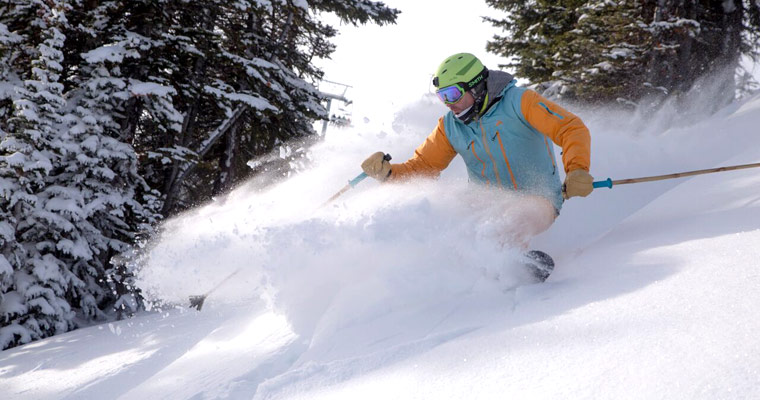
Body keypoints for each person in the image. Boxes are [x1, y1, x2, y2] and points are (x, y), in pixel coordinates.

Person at [360, 53, 594, 281]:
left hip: (538, 200)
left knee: (510, 222)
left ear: (476, 87)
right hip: (484, 203)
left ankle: (512, 272)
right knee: (444, 221)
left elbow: (570, 128)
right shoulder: (449, 126)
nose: (449, 104)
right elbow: (424, 166)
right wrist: (388, 173)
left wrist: (577, 169)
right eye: (442, 97)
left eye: (453, 94)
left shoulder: (521, 102)